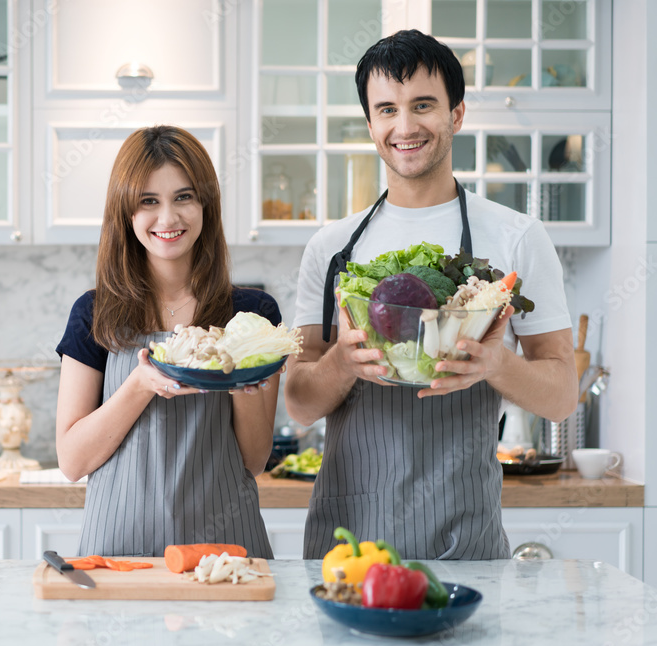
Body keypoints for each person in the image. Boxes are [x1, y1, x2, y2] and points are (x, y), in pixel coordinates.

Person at [284, 30, 578, 560]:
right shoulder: (331, 248)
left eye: (423, 105)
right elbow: (300, 402)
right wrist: (342, 363)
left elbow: (560, 395)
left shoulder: (516, 237)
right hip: (348, 540)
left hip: (465, 536)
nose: (405, 126)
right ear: (370, 124)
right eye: (387, 109)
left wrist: (496, 364)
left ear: (456, 114)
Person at [55, 125, 281, 558]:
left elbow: (253, 460)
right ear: (126, 213)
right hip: (117, 556)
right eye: (148, 202)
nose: (168, 219)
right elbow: (72, 461)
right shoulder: (94, 314)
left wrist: (248, 381)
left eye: (184, 197)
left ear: (205, 205)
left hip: (226, 556)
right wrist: (140, 385)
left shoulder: (251, 316)